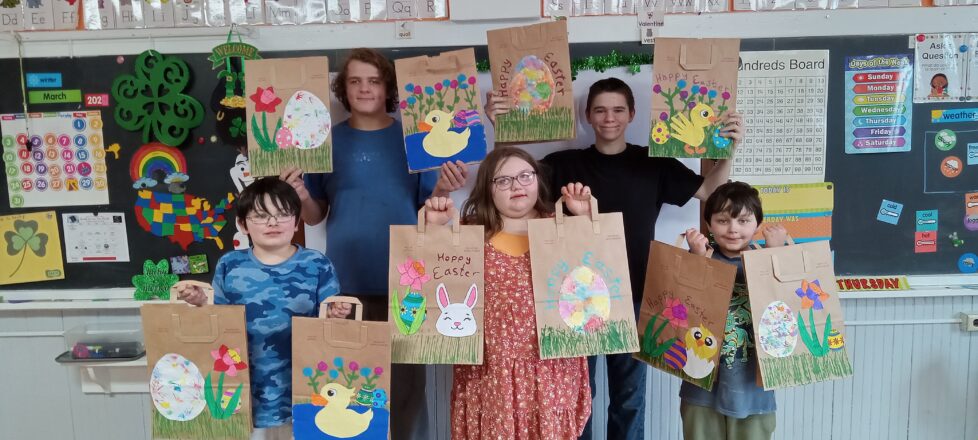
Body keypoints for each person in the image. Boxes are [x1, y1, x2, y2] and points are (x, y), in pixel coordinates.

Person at [480, 77, 744, 440]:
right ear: (587, 115)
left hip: (636, 296)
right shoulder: (563, 163)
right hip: (573, 301)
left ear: (632, 114)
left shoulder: (654, 163)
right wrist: (501, 129)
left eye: (618, 110)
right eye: (600, 110)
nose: (609, 118)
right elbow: (514, 179)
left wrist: (727, 150)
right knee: (575, 395)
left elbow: (712, 191)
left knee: (629, 398)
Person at [278, 47, 464, 440]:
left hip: (408, 284)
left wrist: (445, 187)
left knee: (408, 388)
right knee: (354, 386)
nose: (365, 89)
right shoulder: (325, 141)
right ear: (343, 89)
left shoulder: (415, 139)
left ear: (388, 88)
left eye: (374, 81)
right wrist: (298, 192)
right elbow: (314, 216)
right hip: (345, 284)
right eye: (355, 81)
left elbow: (429, 210)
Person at [425, 146, 591, 439]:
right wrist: (432, 233)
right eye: (503, 180)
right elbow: (430, 286)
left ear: (537, 180)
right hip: (489, 372)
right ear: (488, 189)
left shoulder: (560, 230)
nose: (516, 186)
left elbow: (591, 285)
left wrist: (584, 221)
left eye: (525, 176)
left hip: (550, 370)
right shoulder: (466, 234)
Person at [175, 177, 341, 440]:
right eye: (261, 216)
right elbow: (219, 320)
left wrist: (335, 315)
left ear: (297, 221)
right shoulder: (230, 264)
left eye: (283, 214)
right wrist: (201, 303)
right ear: (243, 224)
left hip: (302, 384)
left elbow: (331, 320)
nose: (273, 222)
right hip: (243, 385)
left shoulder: (317, 264)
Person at [681, 181, 786, 440]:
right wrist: (697, 256)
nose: (733, 229)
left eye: (743, 221)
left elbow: (787, 311)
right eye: (723, 220)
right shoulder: (699, 256)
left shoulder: (772, 262)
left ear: (758, 225)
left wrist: (776, 253)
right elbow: (679, 307)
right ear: (709, 224)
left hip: (754, 392)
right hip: (701, 391)